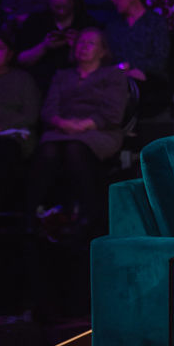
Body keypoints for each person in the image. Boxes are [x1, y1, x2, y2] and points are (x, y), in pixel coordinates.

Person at [26, 27, 129, 237]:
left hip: (100, 130)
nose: (83, 47)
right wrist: (61, 122)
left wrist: (84, 125)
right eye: (81, 42)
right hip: (62, 128)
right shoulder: (62, 75)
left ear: (102, 51)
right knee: (48, 151)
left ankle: (88, 214)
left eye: (90, 43)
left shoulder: (113, 75)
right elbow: (49, 108)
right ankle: (31, 214)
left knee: (75, 149)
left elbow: (113, 112)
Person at [0, 31, 41, 218]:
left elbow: (30, 114)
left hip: (12, 135)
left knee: (0, 151)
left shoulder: (22, 80)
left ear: (9, 54)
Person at [103, 0, 170, 114]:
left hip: (151, 80)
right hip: (117, 79)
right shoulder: (113, 27)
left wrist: (134, 67)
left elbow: (160, 59)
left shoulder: (156, 23)